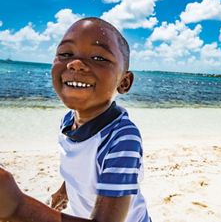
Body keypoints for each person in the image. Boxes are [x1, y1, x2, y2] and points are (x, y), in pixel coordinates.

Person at [0, 17, 150, 222]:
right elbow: (77, 166)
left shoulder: (121, 139)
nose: (76, 63)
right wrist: (64, 192)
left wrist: (18, 207)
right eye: (65, 54)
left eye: (99, 58)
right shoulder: (69, 121)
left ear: (124, 82)